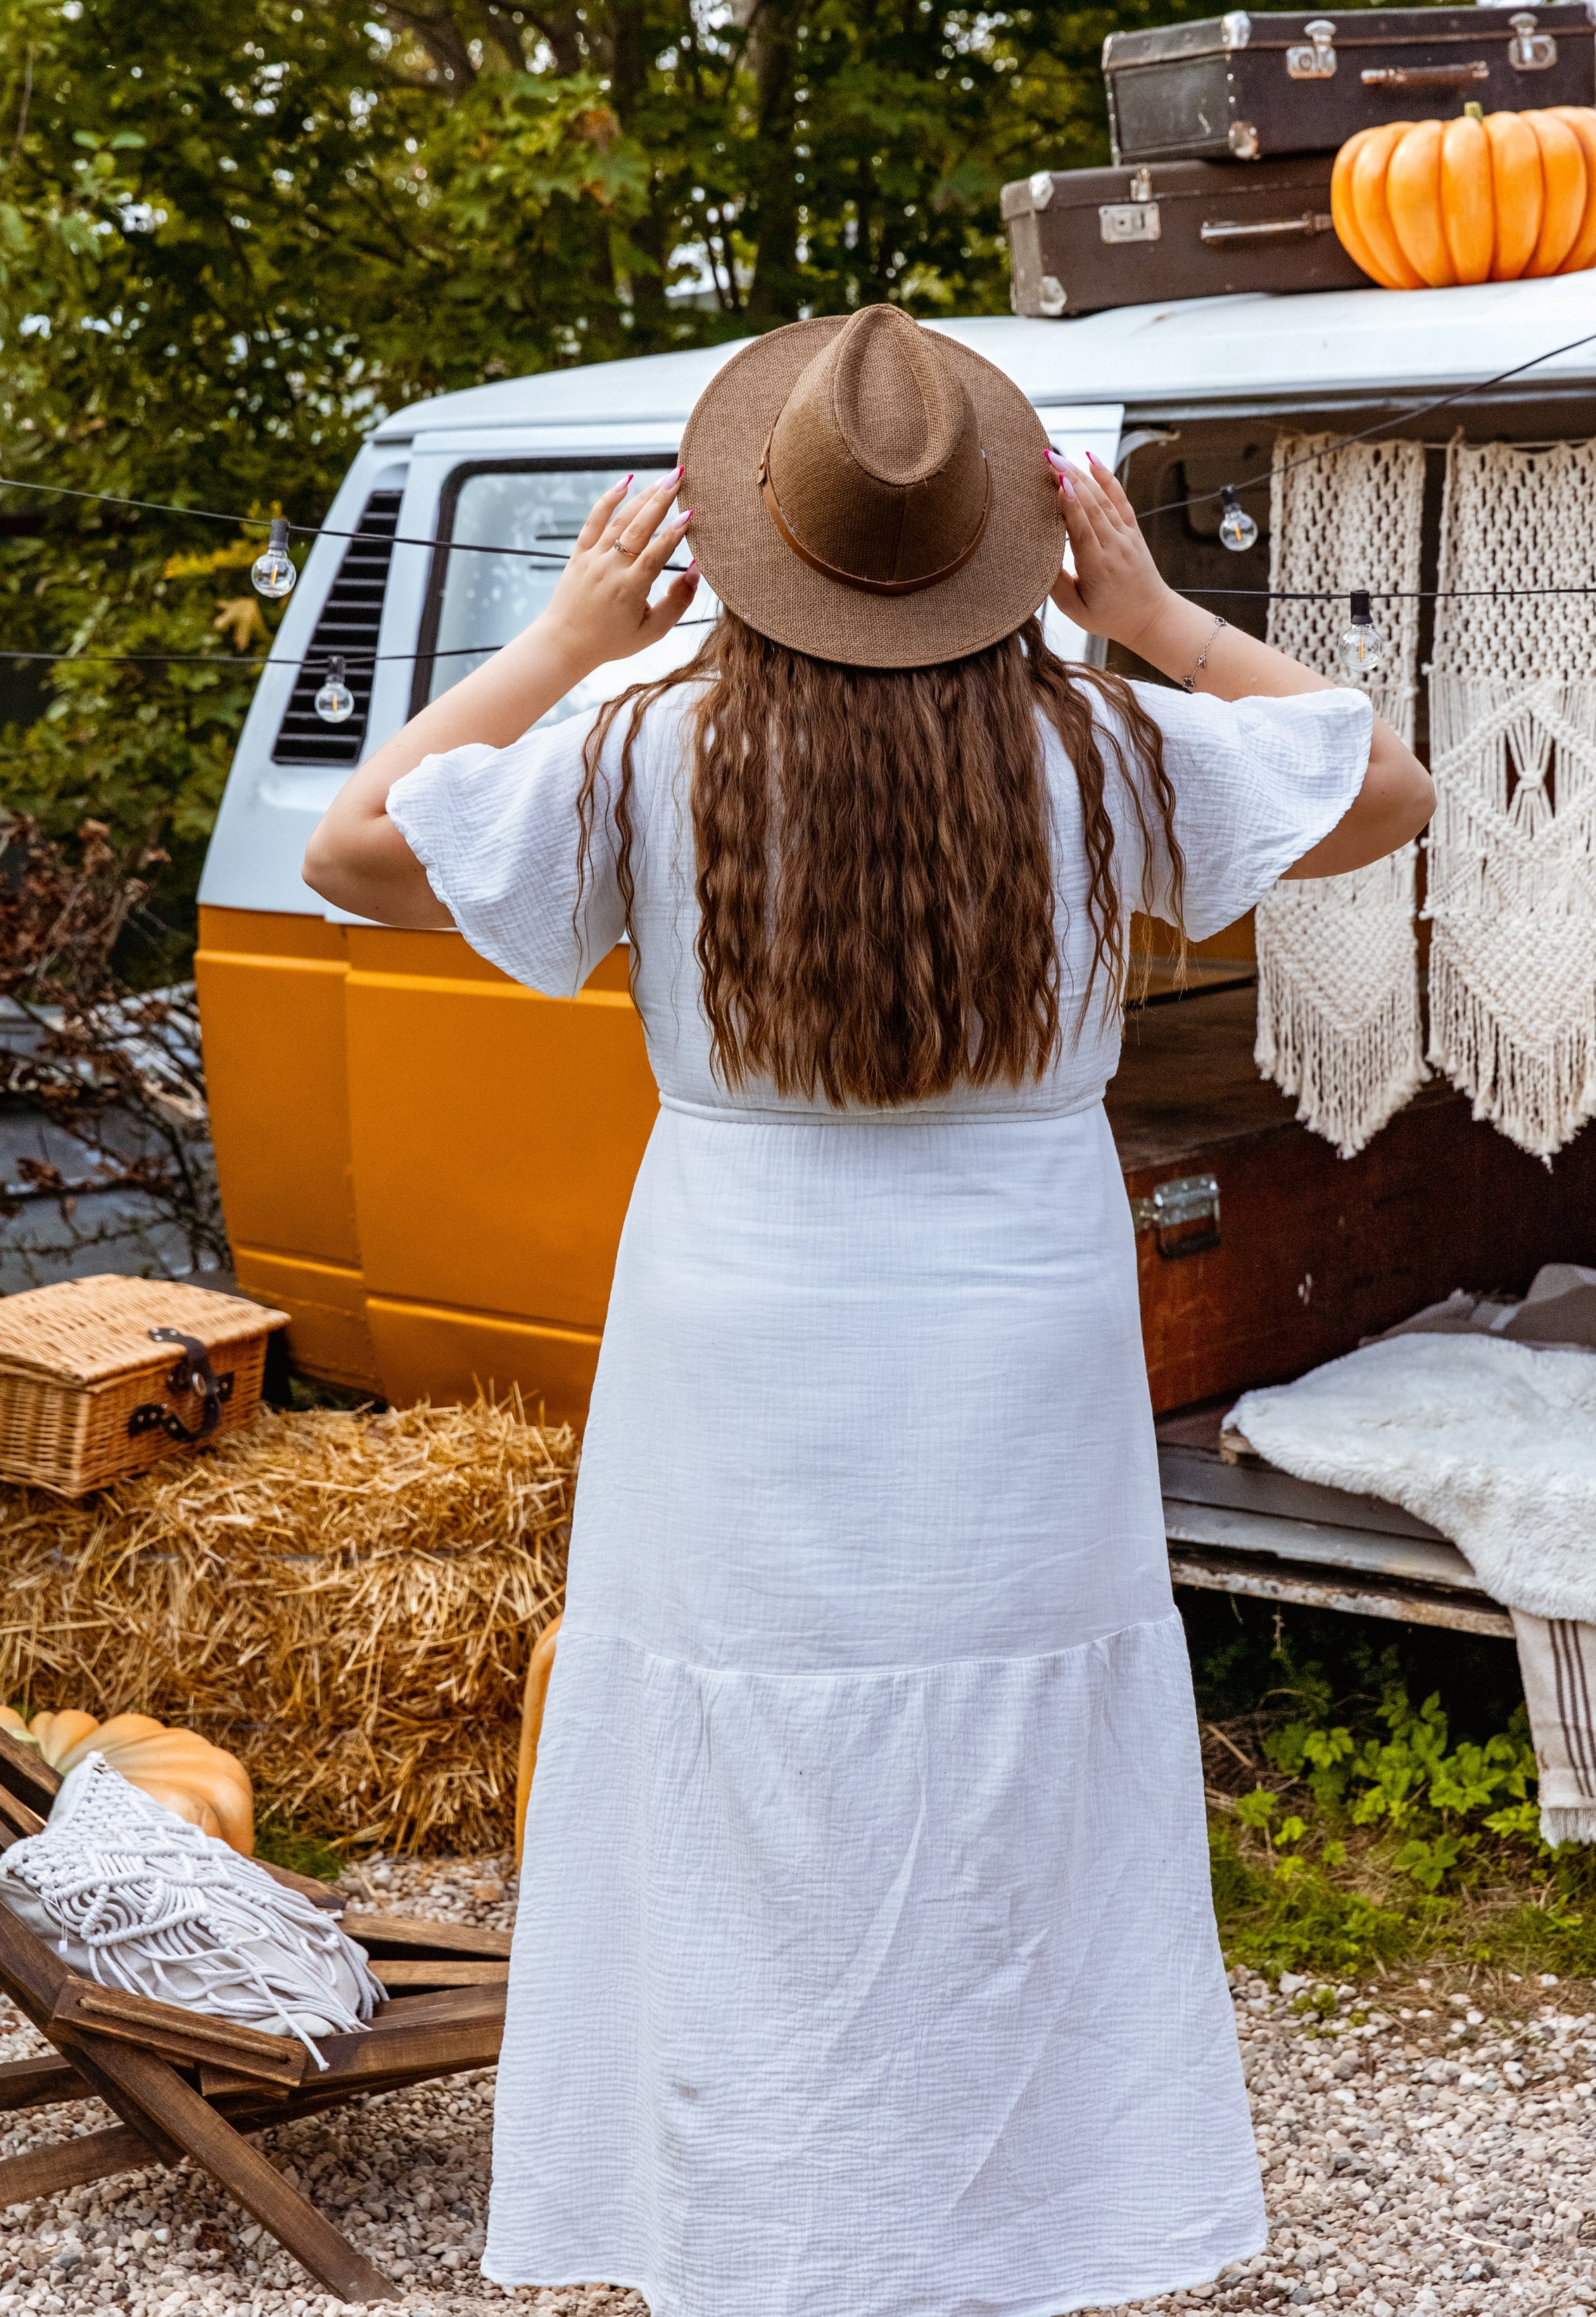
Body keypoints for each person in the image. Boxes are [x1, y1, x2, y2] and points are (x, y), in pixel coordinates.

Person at [304, 306, 1433, 2317]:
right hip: (1019, 1325)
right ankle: (1004, 2227)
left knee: (749, 1766)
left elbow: (354, 847)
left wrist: (570, 636)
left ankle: (761, 2231)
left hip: (741, 1323)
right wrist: (1160, 615)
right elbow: (1392, 795)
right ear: (1001, 553)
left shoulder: (653, 742)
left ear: (760, 546)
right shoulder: (1102, 743)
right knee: (1008, 1772)